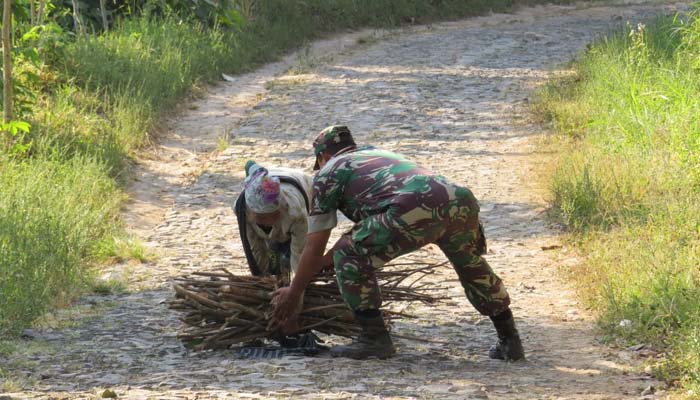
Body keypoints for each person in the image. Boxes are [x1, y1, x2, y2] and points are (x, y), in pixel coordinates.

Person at [271, 125, 524, 361]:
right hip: (457, 198)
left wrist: (294, 292)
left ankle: (374, 338)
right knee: (471, 265)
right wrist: (325, 263)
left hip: (411, 207)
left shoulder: (328, 173)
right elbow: (361, 231)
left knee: (349, 253)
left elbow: (315, 244)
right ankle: (510, 339)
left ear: (323, 155)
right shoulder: (374, 155)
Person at [234, 161, 313, 283]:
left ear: (279, 210)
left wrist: (297, 288)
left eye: (270, 216)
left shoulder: (295, 212)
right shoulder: (242, 210)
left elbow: (300, 253)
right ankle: (277, 277)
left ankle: (285, 279)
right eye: (261, 217)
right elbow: (256, 248)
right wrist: (263, 279)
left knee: (288, 258)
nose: (266, 221)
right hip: (271, 181)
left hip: (302, 184)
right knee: (273, 258)